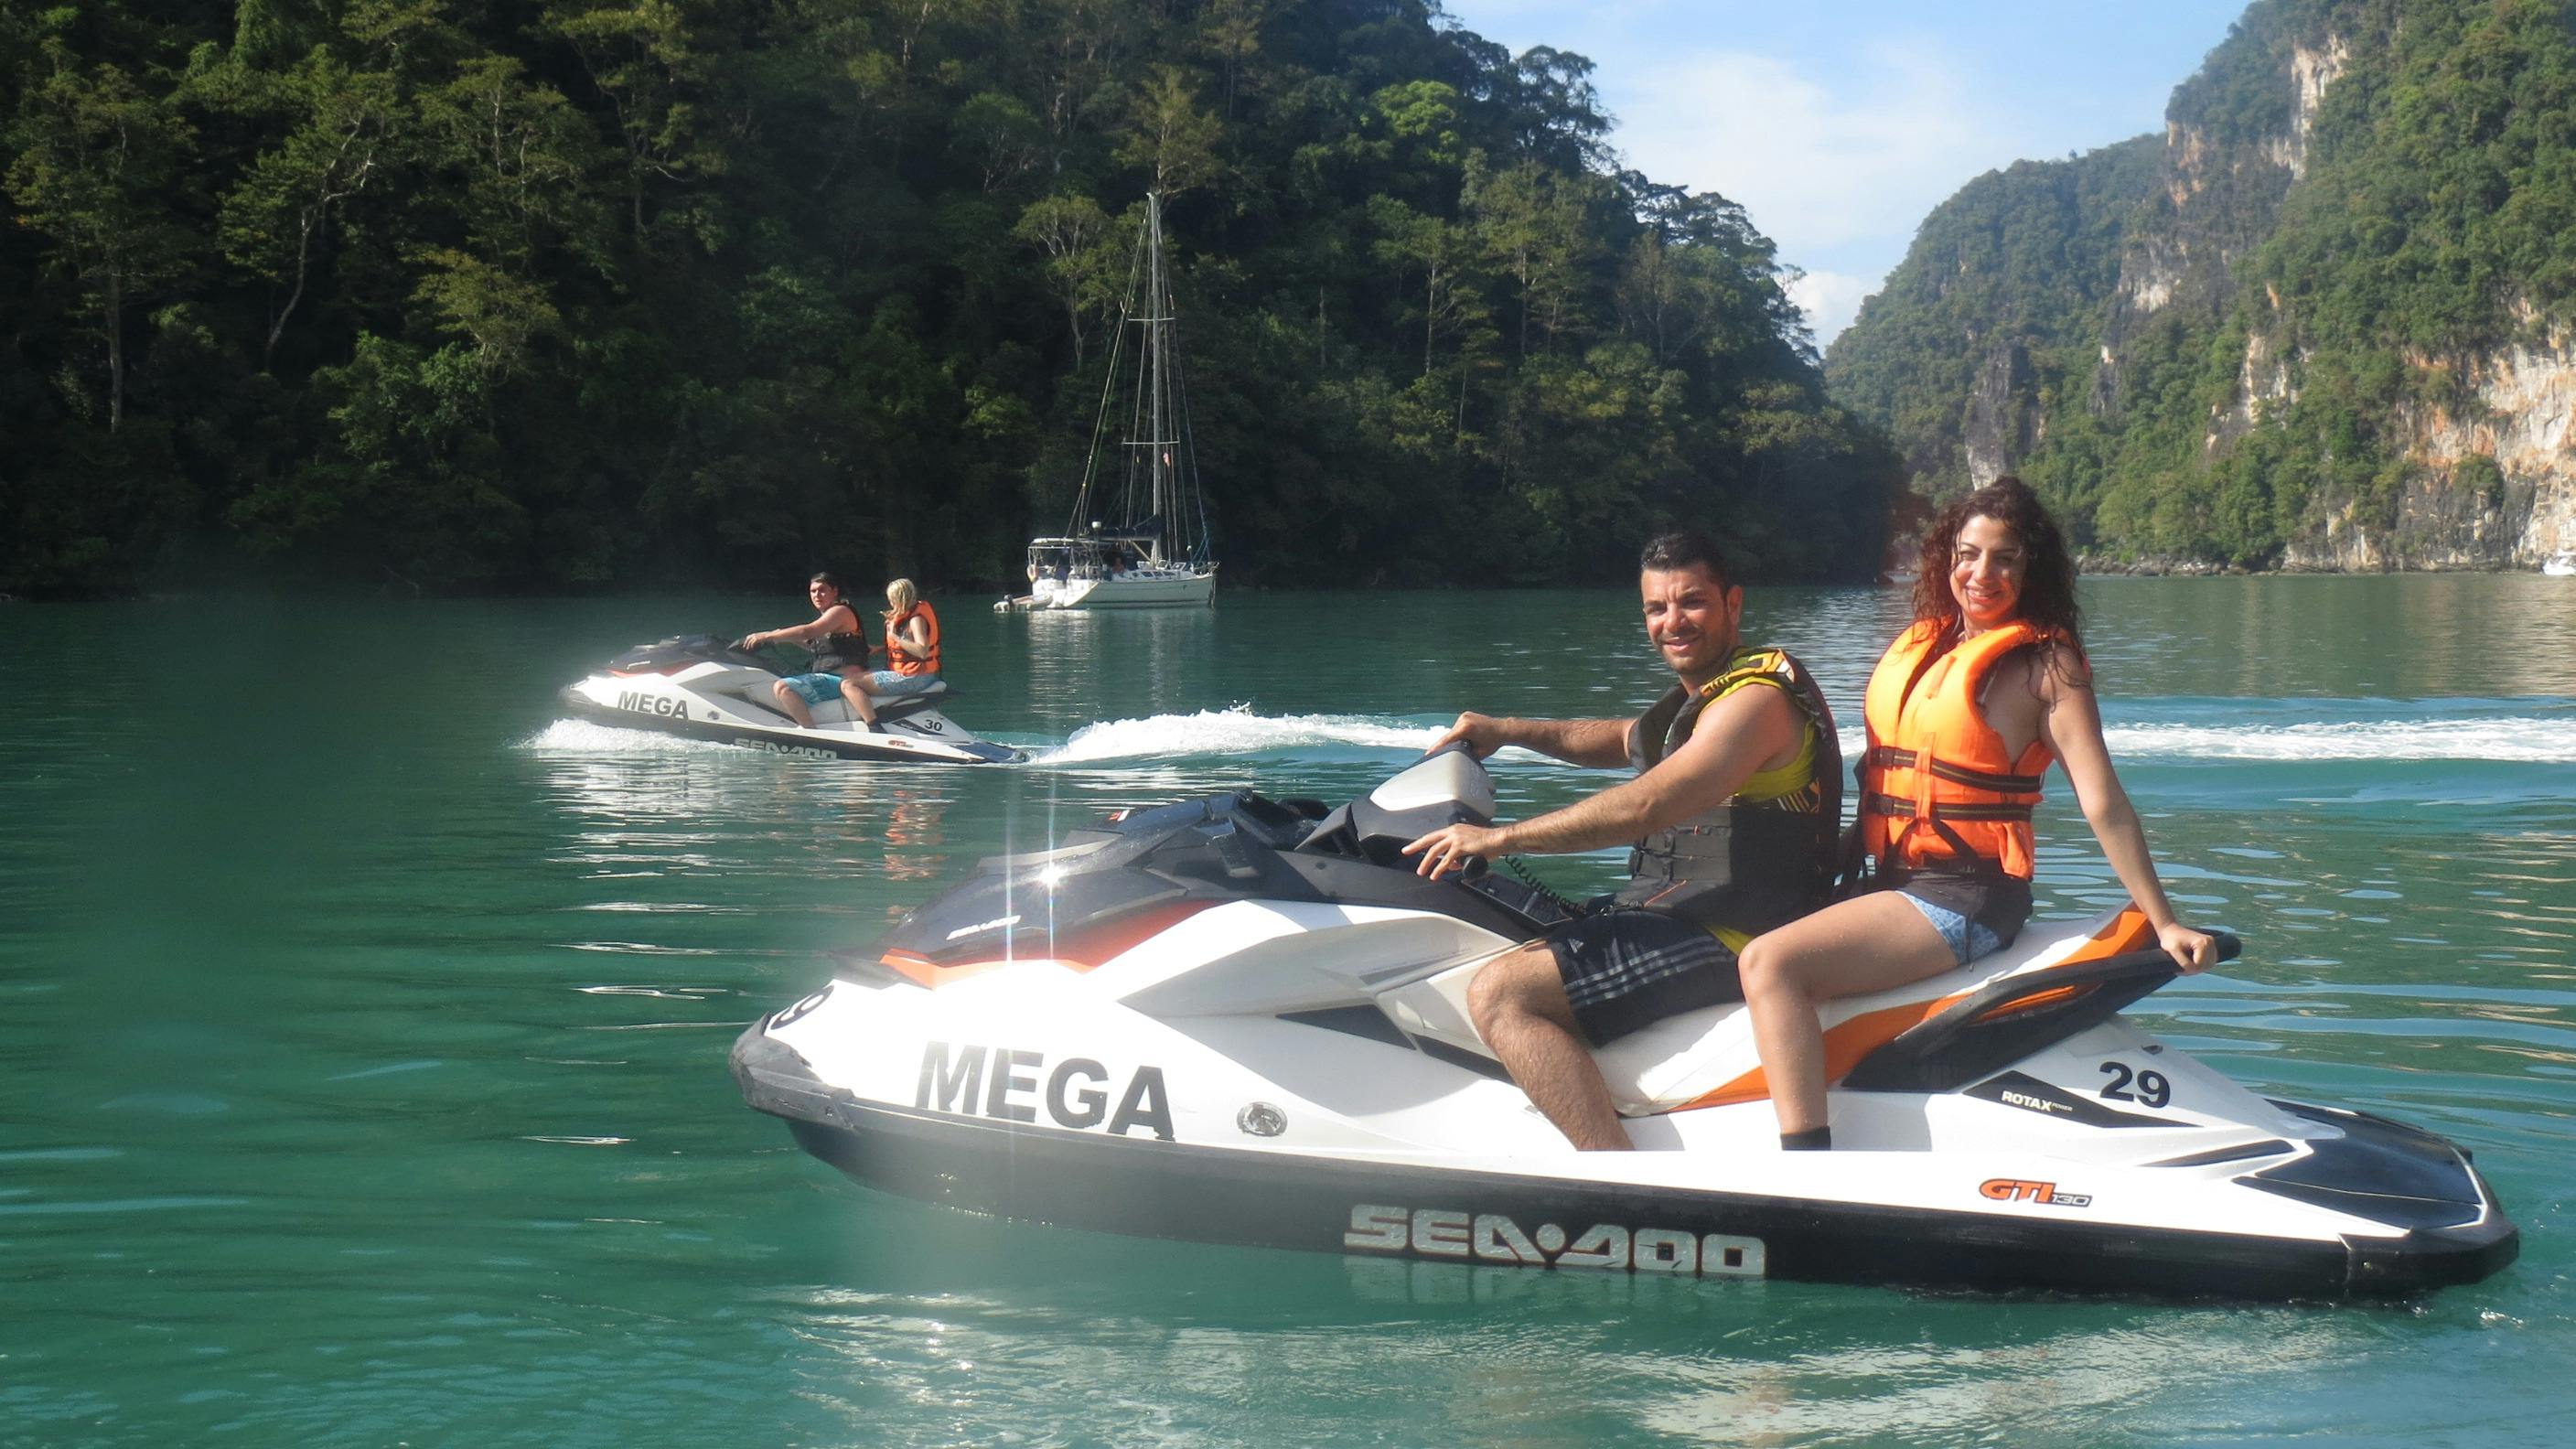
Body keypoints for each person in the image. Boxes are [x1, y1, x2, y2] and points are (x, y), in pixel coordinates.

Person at [1733, 476, 2216, 1152]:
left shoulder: (2047, 669)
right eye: (1968, 553)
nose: (1980, 573)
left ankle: (1807, 1161)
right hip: (1888, 880)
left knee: (1771, 965)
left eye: (2004, 558)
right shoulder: (1925, 646)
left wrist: (2163, 921)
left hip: (1967, 897)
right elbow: (1892, 786)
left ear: (2031, 568)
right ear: (1946, 558)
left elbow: (2102, 801)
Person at [1402, 532, 1841, 1151]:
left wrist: (1498, 839)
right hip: (1680, 912)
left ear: (1733, 604)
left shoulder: (1755, 704)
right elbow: (1614, 738)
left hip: (1735, 932)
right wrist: (1505, 730)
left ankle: (1615, 1176)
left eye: (1692, 602)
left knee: (1502, 995)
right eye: (1657, 609)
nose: (1673, 622)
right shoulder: (1704, 699)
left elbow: (1648, 803)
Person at [742, 573, 869, 729]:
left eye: (822, 590)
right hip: (829, 678)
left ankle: (811, 733)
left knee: (783, 687)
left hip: (842, 680)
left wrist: (767, 635)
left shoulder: (840, 611)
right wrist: (778, 636)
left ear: (834, 591)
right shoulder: (829, 618)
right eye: (813, 591)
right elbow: (814, 645)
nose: (817, 595)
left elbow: (807, 632)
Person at [837, 578, 943, 732]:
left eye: (891, 598)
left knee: (848, 684)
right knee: (853, 675)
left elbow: (922, 650)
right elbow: (907, 651)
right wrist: (880, 649)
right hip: (914, 673)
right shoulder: (910, 614)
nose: (890, 602)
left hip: (914, 677)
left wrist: (895, 638)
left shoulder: (916, 620)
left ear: (898, 598)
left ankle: (874, 726)